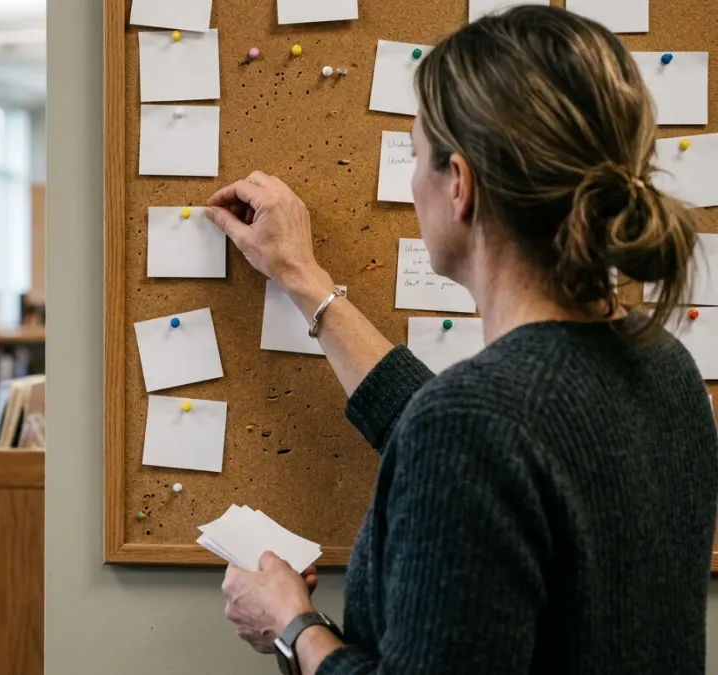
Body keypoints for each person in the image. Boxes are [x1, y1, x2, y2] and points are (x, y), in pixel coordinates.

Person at [209, 6, 718, 674]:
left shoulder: (474, 424)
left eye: (416, 156)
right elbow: (475, 437)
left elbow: (470, 435)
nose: (413, 180)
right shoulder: (663, 366)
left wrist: (293, 625)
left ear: (462, 186)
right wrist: (304, 278)